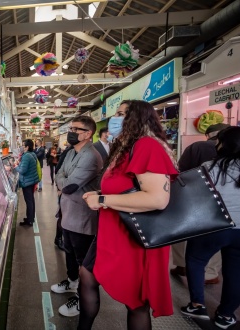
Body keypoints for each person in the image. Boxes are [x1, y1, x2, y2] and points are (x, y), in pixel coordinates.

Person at [80, 100, 178, 330]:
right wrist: (100, 193)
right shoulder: (124, 148)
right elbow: (126, 187)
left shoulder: (147, 146)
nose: (116, 119)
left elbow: (157, 199)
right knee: (87, 274)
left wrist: (103, 200)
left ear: (138, 118)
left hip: (135, 234)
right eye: (117, 113)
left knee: (135, 302)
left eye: (123, 114)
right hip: (113, 229)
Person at [181, 126, 240, 329]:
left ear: (223, 144)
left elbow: (197, 195)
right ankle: (226, 315)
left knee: (196, 260)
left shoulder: (210, 166)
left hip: (214, 225)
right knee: (235, 271)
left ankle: (197, 304)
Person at [51, 116, 103, 317]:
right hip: (68, 214)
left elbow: (69, 185)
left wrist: (63, 183)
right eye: (70, 127)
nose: (71, 131)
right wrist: (62, 182)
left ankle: (83, 299)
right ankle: (72, 283)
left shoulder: (91, 156)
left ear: (88, 134)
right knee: (69, 251)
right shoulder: (72, 152)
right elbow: (58, 174)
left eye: (76, 128)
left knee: (83, 261)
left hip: (83, 217)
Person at [170, 123, 230, 283]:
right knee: (214, 231)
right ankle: (210, 273)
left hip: (193, 197)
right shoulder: (233, 150)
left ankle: (181, 264)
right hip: (224, 202)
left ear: (208, 135)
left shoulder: (197, 146)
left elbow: (179, 171)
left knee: (181, 232)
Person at [14, 139, 39, 226]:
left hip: (27, 182)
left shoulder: (27, 156)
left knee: (29, 201)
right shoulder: (32, 154)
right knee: (31, 200)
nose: (22, 147)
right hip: (31, 180)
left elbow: (22, 170)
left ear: (27, 147)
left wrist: (15, 166)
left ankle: (29, 220)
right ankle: (31, 218)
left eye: (23, 146)